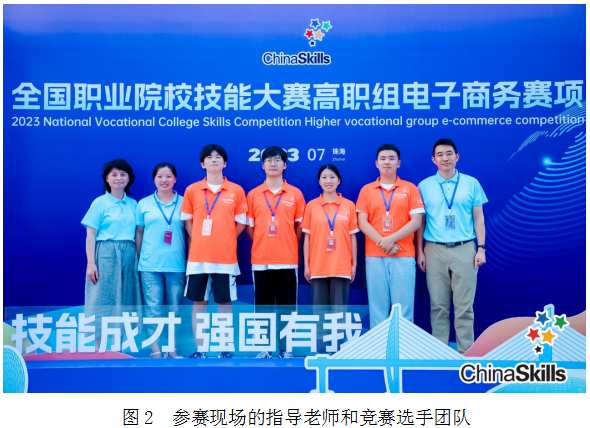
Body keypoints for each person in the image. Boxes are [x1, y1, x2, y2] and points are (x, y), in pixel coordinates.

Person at [416, 138, 487, 355]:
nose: (445, 158)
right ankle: (440, 352)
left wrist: (481, 248)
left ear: (457, 157)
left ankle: (466, 352)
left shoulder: (471, 183)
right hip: (434, 249)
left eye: (449, 154)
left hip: (465, 249)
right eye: (440, 155)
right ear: (433, 159)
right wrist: (420, 251)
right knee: (438, 306)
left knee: (465, 306)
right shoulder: (424, 186)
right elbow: (420, 222)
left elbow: (479, 218)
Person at [180, 144, 248, 359]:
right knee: (199, 303)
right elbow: (187, 221)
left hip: (225, 258)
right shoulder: (192, 190)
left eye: (218, 157)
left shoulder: (236, 190)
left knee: (224, 303)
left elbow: (241, 222)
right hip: (198, 258)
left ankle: (225, 348)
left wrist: (227, 238)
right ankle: (200, 349)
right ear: (203, 164)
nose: (214, 160)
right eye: (209, 157)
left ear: (225, 163)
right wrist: (199, 239)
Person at [246, 146, 306, 359]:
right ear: (262, 165)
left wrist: (288, 243)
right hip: (261, 259)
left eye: (277, 160)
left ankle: (286, 348)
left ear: (285, 165)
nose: (273, 163)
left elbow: (300, 226)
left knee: (287, 307)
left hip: (287, 260)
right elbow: (250, 227)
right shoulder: (253, 194)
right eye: (269, 160)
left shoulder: (295, 194)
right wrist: (263, 242)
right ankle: (264, 348)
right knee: (262, 306)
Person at [356, 144, 425, 328]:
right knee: (377, 307)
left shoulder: (410, 188)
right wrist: (383, 243)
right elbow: (362, 222)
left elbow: (416, 221)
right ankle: (379, 345)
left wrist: (390, 240)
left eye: (391, 158)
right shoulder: (366, 190)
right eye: (383, 158)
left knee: (404, 308)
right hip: (374, 255)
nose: (387, 162)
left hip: (403, 254)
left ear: (398, 163)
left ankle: (403, 345)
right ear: (376, 163)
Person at [81, 158, 141, 350]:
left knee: (125, 299)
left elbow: (138, 234)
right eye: (113, 174)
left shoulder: (134, 204)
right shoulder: (100, 203)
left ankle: (118, 347)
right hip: (106, 254)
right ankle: (98, 348)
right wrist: (91, 263)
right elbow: (91, 235)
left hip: (129, 255)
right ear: (106, 178)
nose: (118, 178)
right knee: (101, 299)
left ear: (129, 178)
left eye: (123, 174)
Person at [135, 162, 187, 359]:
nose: (164, 180)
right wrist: (140, 258)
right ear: (154, 179)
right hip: (149, 266)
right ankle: (155, 349)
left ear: (175, 179)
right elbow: (139, 232)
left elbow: (190, 233)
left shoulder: (185, 202)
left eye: (168, 176)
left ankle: (171, 349)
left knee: (174, 310)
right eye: (159, 176)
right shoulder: (143, 204)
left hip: (176, 265)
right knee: (153, 309)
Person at [302, 164, 359, 307]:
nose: (328, 181)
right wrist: (307, 266)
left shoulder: (349, 205)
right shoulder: (311, 206)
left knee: (339, 313)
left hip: (341, 266)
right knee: (320, 313)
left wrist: (353, 265)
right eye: (324, 177)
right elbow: (307, 238)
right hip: (318, 266)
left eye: (332, 177)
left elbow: (352, 238)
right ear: (319, 181)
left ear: (339, 180)